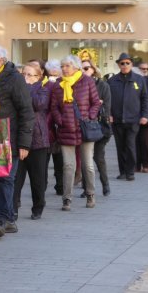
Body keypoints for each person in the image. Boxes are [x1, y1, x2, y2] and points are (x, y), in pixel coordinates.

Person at [0, 45, 34, 236]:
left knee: (6, 179)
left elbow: (27, 112)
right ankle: (9, 218)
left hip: (10, 138)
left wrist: (24, 143)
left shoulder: (14, 79)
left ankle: (2, 219)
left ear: (0, 60)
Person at [50, 55, 101, 211]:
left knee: (88, 165)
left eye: (67, 66)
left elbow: (95, 103)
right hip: (66, 130)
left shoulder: (87, 81)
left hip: (85, 129)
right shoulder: (59, 85)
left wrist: (90, 117)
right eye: (62, 66)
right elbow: (54, 107)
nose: (64, 68)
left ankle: (90, 194)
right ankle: (67, 199)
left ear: (76, 67)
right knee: (68, 166)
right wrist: (61, 120)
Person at [13, 62, 50, 220]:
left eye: (29, 74)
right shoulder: (16, 88)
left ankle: (38, 207)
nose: (25, 77)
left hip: (37, 140)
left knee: (37, 179)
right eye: (23, 74)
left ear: (38, 76)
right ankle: (12, 208)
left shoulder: (43, 88)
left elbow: (38, 104)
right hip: (19, 138)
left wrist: (26, 87)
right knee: (16, 178)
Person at [107, 53, 148, 181]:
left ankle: (130, 171)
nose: (125, 65)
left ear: (131, 64)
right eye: (122, 63)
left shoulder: (139, 79)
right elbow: (108, 100)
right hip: (118, 119)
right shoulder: (112, 81)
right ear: (119, 65)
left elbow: (145, 98)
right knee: (120, 147)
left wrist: (144, 115)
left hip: (133, 119)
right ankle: (122, 172)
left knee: (130, 145)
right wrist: (109, 114)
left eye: (127, 63)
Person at [81, 60, 112, 195]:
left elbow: (106, 106)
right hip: (84, 126)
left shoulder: (103, 85)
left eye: (86, 68)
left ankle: (105, 185)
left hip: (99, 126)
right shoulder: (78, 85)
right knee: (85, 159)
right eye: (81, 68)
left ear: (93, 69)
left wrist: (96, 105)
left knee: (98, 157)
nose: (83, 71)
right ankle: (86, 189)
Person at [45, 60, 65, 196]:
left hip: (59, 128)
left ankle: (60, 186)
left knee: (60, 161)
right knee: (44, 162)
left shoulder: (65, 85)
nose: (53, 77)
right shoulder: (43, 85)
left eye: (56, 75)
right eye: (51, 74)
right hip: (47, 128)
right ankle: (43, 186)